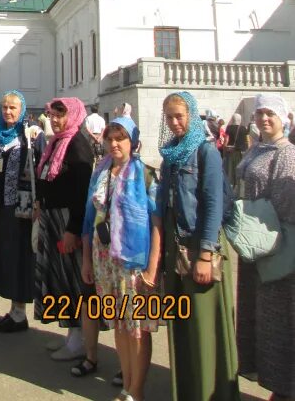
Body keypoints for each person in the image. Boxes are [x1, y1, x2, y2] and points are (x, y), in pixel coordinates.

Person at [156, 90, 240, 401]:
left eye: (180, 116)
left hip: (198, 250)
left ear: (191, 116)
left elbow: (212, 205)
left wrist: (206, 253)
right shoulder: (171, 155)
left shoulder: (206, 153)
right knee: (182, 326)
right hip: (175, 251)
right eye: (169, 117)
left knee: (206, 330)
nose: (175, 122)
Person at [81, 116, 161, 399]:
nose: (114, 144)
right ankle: (127, 384)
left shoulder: (146, 175)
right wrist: (86, 260)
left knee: (137, 327)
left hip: (132, 261)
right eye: (110, 139)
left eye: (121, 139)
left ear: (133, 142)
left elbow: (156, 225)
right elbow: (89, 218)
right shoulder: (101, 171)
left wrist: (152, 267)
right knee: (118, 323)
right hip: (103, 258)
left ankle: (136, 391)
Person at [236, 94, 295, 401]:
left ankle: (285, 389)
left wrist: (255, 225)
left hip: (274, 251)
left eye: (270, 113)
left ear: (283, 118)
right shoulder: (257, 148)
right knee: (259, 321)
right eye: (259, 113)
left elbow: (286, 208)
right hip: (254, 248)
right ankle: (276, 386)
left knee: (280, 324)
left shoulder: (287, 155)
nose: (263, 119)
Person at [33, 98, 96, 362]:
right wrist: (39, 202)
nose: (55, 120)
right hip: (52, 217)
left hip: (67, 221)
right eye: (53, 115)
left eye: (61, 115)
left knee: (72, 280)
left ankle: (79, 339)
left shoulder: (78, 146)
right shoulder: (56, 143)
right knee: (60, 277)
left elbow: (82, 193)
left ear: (73, 116)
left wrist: (73, 229)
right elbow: (47, 177)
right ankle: (70, 334)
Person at [0, 90, 41, 333]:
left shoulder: (28, 136)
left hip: (21, 209)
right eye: (5, 107)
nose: (8, 112)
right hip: (0, 206)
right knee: (6, 257)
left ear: (22, 111)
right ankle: (14, 309)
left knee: (20, 257)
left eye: (13, 108)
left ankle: (20, 314)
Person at [222, 112, 248, 185]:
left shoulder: (229, 128)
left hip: (231, 152)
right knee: (239, 170)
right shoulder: (244, 128)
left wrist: (224, 152)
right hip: (241, 152)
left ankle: (231, 186)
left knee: (230, 170)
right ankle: (239, 186)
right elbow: (247, 140)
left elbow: (226, 140)